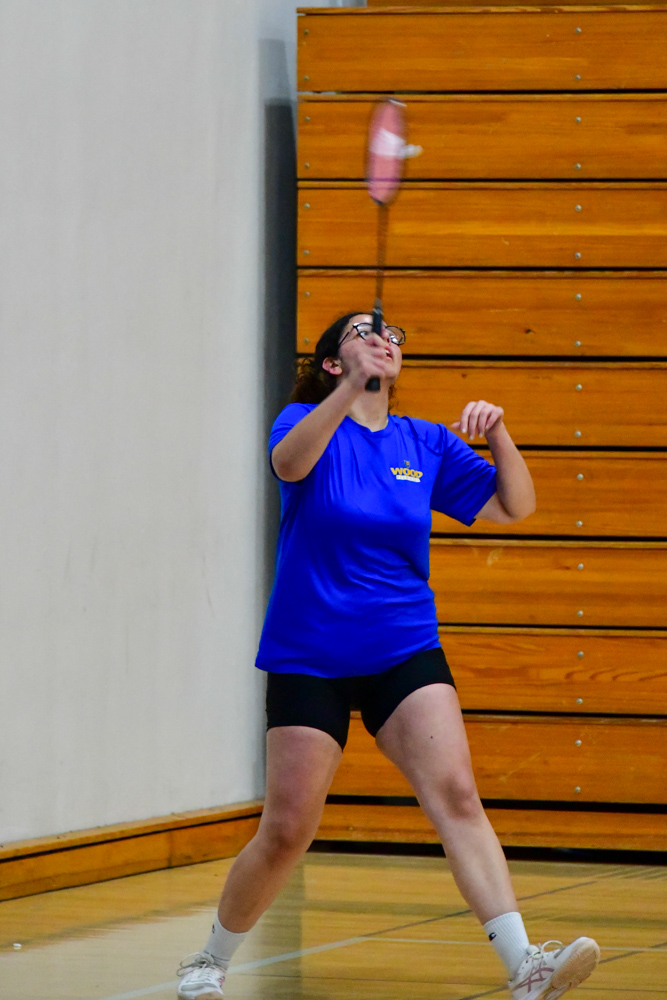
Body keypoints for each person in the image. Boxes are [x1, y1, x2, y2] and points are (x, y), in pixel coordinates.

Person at [177, 312, 600, 1000]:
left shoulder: (424, 442)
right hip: (309, 653)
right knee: (287, 830)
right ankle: (208, 961)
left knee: (456, 795)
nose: (383, 339)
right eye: (361, 332)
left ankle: (525, 965)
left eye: (392, 334)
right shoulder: (301, 421)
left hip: (402, 646)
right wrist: (348, 391)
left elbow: (512, 506)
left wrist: (498, 434)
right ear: (332, 363)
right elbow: (288, 465)